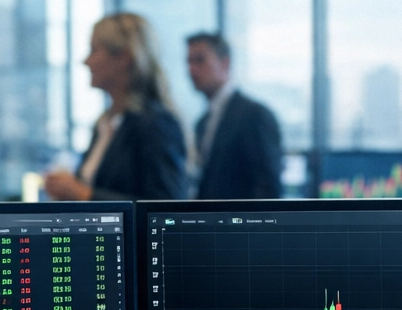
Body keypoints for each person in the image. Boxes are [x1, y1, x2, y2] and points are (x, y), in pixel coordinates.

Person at [44, 13, 187, 202]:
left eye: (94, 50)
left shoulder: (155, 124)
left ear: (124, 57)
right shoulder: (105, 124)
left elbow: (164, 207)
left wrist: (82, 194)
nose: (86, 61)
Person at [185, 32, 283, 199]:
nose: (191, 69)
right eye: (189, 61)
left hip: (242, 223)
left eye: (200, 60)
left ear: (225, 63)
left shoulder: (255, 115)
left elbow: (268, 186)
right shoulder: (202, 122)